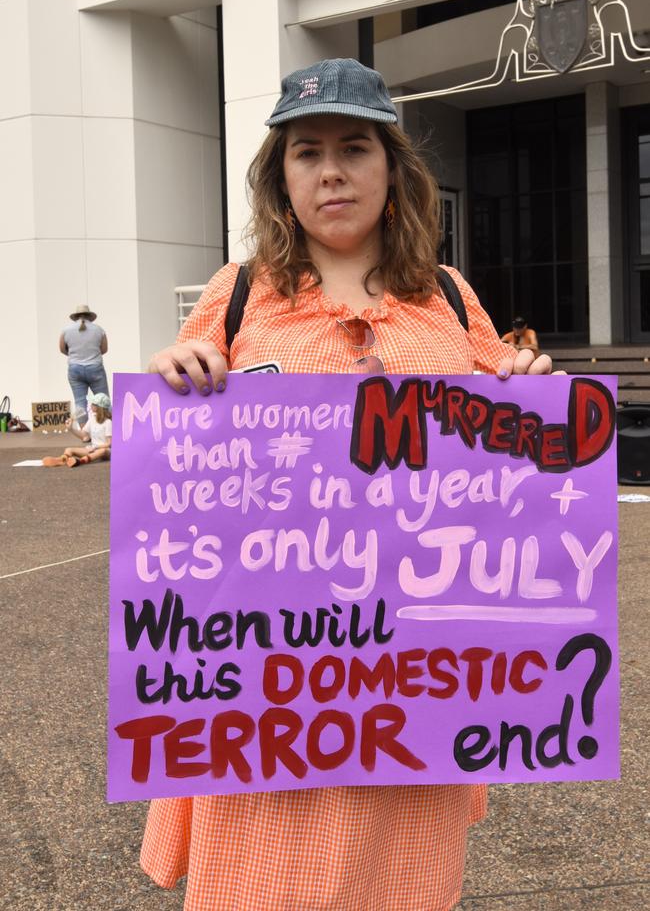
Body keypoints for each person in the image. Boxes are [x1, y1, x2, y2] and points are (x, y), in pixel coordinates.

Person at [143, 58, 560, 911]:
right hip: (273, 681)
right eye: (306, 150)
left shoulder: (447, 298)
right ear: (280, 176)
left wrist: (528, 389)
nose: (330, 170)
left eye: (354, 147)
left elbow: (506, 445)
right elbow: (189, 452)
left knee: (400, 886)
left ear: (393, 170)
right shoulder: (240, 295)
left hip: (413, 683)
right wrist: (176, 369)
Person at [59, 304, 109, 425]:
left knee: (80, 402)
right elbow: (104, 349)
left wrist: (75, 356)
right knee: (103, 399)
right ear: (90, 316)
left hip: (75, 368)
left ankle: (84, 432)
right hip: (95, 368)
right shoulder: (99, 330)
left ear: (75, 317)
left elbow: (62, 349)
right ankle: (108, 430)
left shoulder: (65, 331)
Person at [42, 393, 112, 468]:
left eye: (93, 404)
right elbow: (84, 436)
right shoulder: (92, 419)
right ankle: (62, 460)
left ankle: (80, 461)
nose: (91, 405)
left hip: (105, 451)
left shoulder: (108, 422)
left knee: (103, 451)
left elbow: (109, 444)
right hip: (92, 449)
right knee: (69, 449)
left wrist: (95, 447)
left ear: (99, 407)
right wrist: (71, 429)